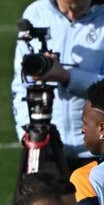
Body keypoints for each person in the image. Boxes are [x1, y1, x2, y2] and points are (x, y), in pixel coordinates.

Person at [11, 0, 104, 164]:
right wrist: (26, 134)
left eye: (80, 7)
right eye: (68, 7)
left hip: (97, 152)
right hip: (44, 149)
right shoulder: (36, 13)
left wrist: (66, 77)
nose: (73, 14)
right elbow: (21, 84)